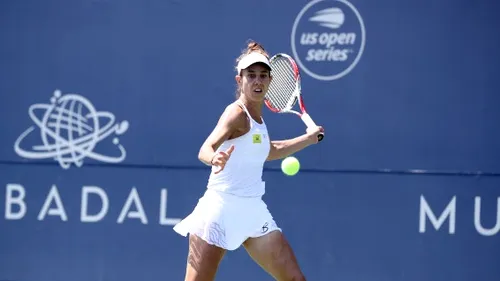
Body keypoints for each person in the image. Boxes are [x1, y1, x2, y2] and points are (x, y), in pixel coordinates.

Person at [173, 40, 324, 281]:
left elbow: (267, 150)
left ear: (270, 81)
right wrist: (215, 158)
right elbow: (205, 148)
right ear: (239, 80)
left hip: (253, 210)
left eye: (263, 76)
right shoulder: (236, 113)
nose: (257, 81)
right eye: (251, 75)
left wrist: (307, 139)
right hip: (219, 210)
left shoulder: (259, 121)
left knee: (296, 279)